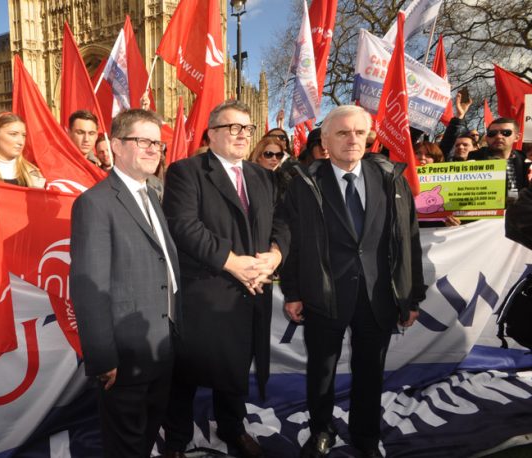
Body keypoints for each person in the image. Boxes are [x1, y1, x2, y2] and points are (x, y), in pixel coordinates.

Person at [280, 105, 426, 458]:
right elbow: (292, 241)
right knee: (322, 371)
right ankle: (321, 431)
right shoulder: (303, 181)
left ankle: (365, 435)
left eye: (360, 133)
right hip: (323, 294)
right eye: (343, 133)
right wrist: (294, 292)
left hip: (377, 295)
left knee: (371, 371)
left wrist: (411, 296)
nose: (353, 139)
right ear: (325, 141)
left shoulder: (390, 177)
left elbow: (409, 238)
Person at [162, 100, 288, 458]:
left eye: (247, 129)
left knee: (236, 369)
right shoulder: (186, 171)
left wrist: (275, 255)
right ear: (211, 134)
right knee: (186, 373)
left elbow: (282, 224)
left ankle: (233, 428)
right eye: (232, 127)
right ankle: (175, 439)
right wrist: (233, 262)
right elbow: (184, 227)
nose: (242, 135)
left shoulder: (264, 176)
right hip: (205, 292)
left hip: (251, 292)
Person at [69, 108, 181, 458]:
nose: (154, 150)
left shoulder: (152, 197)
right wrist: (103, 357)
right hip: (124, 358)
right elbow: (89, 286)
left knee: (146, 434)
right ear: (116, 145)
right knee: (125, 445)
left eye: (158, 143)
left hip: (162, 347)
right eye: (143, 141)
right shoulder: (94, 203)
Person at [469, 118, 528, 202]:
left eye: (506, 133)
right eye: (492, 133)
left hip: (519, 213)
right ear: (486, 138)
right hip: (487, 212)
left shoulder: (525, 160)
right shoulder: (474, 159)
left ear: (517, 137)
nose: (498, 136)